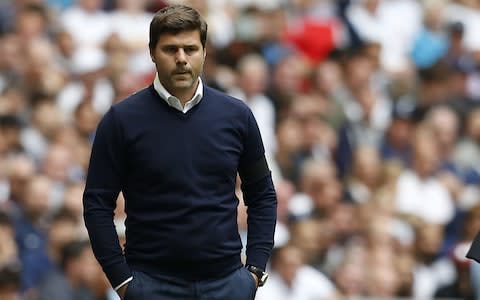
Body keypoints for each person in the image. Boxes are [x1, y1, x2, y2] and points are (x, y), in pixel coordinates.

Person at [82, 4, 277, 300]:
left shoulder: (237, 116)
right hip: (151, 284)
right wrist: (122, 281)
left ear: (204, 52)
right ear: (151, 52)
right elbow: (97, 203)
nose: (182, 59)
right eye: (171, 49)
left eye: (190, 48)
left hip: (227, 283)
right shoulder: (120, 121)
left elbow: (262, 193)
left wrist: (254, 271)